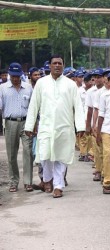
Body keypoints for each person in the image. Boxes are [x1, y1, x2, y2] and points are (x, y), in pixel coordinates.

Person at [24, 55, 86, 198]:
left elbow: (78, 106)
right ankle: (47, 180)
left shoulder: (70, 84)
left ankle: (58, 186)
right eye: (54, 63)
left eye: (60, 63)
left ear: (63, 66)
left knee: (61, 157)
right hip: (46, 125)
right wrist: (29, 125)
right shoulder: (41, 83)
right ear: (50, 66)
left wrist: (80, 127)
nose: (57, 65)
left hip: (64, 126)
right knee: (44, 155)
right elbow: (34, 105)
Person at [0, 62, 34, 192]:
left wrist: (34, 124)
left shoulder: (28, 87)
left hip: (26, 122)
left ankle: (28, 182)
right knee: (11, 154)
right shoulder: (3, 88)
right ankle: (13, 181)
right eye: (13, 76)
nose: (15, 79)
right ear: (9, 75)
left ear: (21, 75)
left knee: (28, 151)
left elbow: (33, 107)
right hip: (10, 122)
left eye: (17, 76)